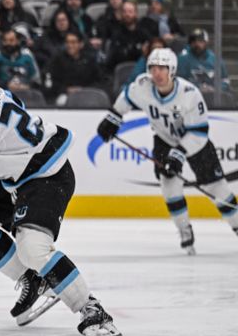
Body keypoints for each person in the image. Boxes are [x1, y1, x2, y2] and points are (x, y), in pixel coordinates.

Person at [0, 51, 120, 336]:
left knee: (33, 248)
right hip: (22, 175)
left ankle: (91, 309)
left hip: (47, 175)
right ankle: (32, 279)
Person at [97, 48, 238, 253]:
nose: (157, 73)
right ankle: (184, 231)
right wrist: (113, 117)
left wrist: (179, 153)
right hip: (164, 141)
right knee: (169, 186)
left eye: (162, 68)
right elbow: (126, 98)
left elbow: (199, 133)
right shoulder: (143, 86)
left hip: (195, 144)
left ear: (172, 70)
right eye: (153, 68)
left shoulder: (189, 94)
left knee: (217, 188)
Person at [44, 31, 103, 104]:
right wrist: (66, 89)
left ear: (81, 44)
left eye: (73, 42)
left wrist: (84, 89)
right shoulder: (58, 60)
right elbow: (51, 82)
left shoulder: (89, 60)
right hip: (64, 94)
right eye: (67, 42)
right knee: (62, 101)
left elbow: (99, 80)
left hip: (87, 93)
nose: (70, 45)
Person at [104, 1, 155, 71]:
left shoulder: (143, 32)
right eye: (124, 12)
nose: (127, 14)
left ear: (136, 14)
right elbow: (114, 58)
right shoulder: (116, 33)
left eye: (130, 12)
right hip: (122, 70)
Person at [177, 28, 232, 93]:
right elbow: (179, 81)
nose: (197, 44)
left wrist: (214, 89)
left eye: (200, 41)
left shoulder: (216, 60)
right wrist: (197, 87)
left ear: (206, 42)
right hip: (190, 95)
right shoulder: (183, 59)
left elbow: (225, 80)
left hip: (212, 95)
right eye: (193, 41)